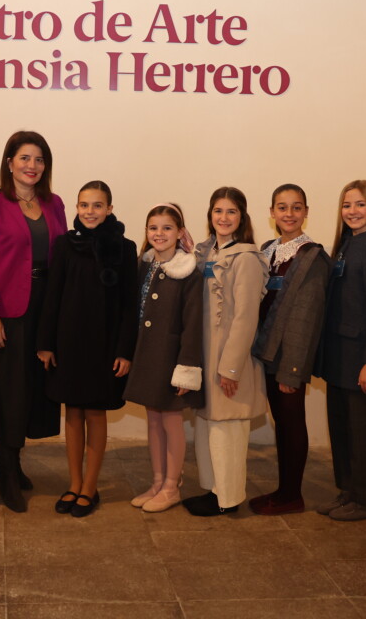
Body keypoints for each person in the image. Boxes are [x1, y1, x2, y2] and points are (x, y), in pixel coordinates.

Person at [0, 130, 66, 512]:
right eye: (24, 158)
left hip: (44, 309)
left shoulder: (54, 204)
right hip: (6, 312)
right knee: (8, 392)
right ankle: (5, 471)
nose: (32, 166)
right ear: (9, 163)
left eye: (39, 159)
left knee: (32, 391)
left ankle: (16, 462)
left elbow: (64, 256)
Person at [37, 181, 138, 517]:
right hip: (68, 343)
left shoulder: (124, 248)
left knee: (95, 412)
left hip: (105, 344)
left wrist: (125, 351)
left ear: (109, 208)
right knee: (73, 412)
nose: (90, 212)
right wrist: (46, 344)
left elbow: (128, 305)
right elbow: (53, 296)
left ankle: (90, 488)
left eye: (97, 205)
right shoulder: (64, 245)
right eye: (84, 205)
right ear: (77, 209)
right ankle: (74, 483)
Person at [315, 180, 366, 521]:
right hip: (339, 356)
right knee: (342, 427)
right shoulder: (347, 244)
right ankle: (348, 490)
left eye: (360, 205)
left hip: (361, 358)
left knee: (364, 431)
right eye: (347, 205)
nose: (353, 211)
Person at [185, 187, 268, 516]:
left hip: (227, 359)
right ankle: (213, 489)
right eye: (218, 211)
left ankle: (229, 498)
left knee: (228, 429)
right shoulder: (207, 254)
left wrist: (230, 368)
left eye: (231, 212)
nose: (223, 217)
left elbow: (246, 318)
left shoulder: (245, 258)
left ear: (242, 217)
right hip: (205, 355)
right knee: (206, 425)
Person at [248, 184, 330, 516]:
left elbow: (306, 318)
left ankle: (291, 495)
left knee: (292, 423)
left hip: (287, 357)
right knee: (281, 422)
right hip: (265, 352)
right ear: (271, 212)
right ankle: (282, 490)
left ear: (306, 212)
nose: (289, 214)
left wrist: (292, 369)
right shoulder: (267, 249)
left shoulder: (312, 256)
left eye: (296, 208)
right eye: (282, 207)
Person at [122, 203, 204, 513]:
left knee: (171, 421)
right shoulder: (143, 266)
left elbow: (193, 323)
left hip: (171, 359)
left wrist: (186, 367)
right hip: (147, 356)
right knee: (153, 421)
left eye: (167, 228)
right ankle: (157, 481)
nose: (159, 233)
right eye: (153, 228)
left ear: (180, 232)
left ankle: (172, 486)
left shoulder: (189, 271)